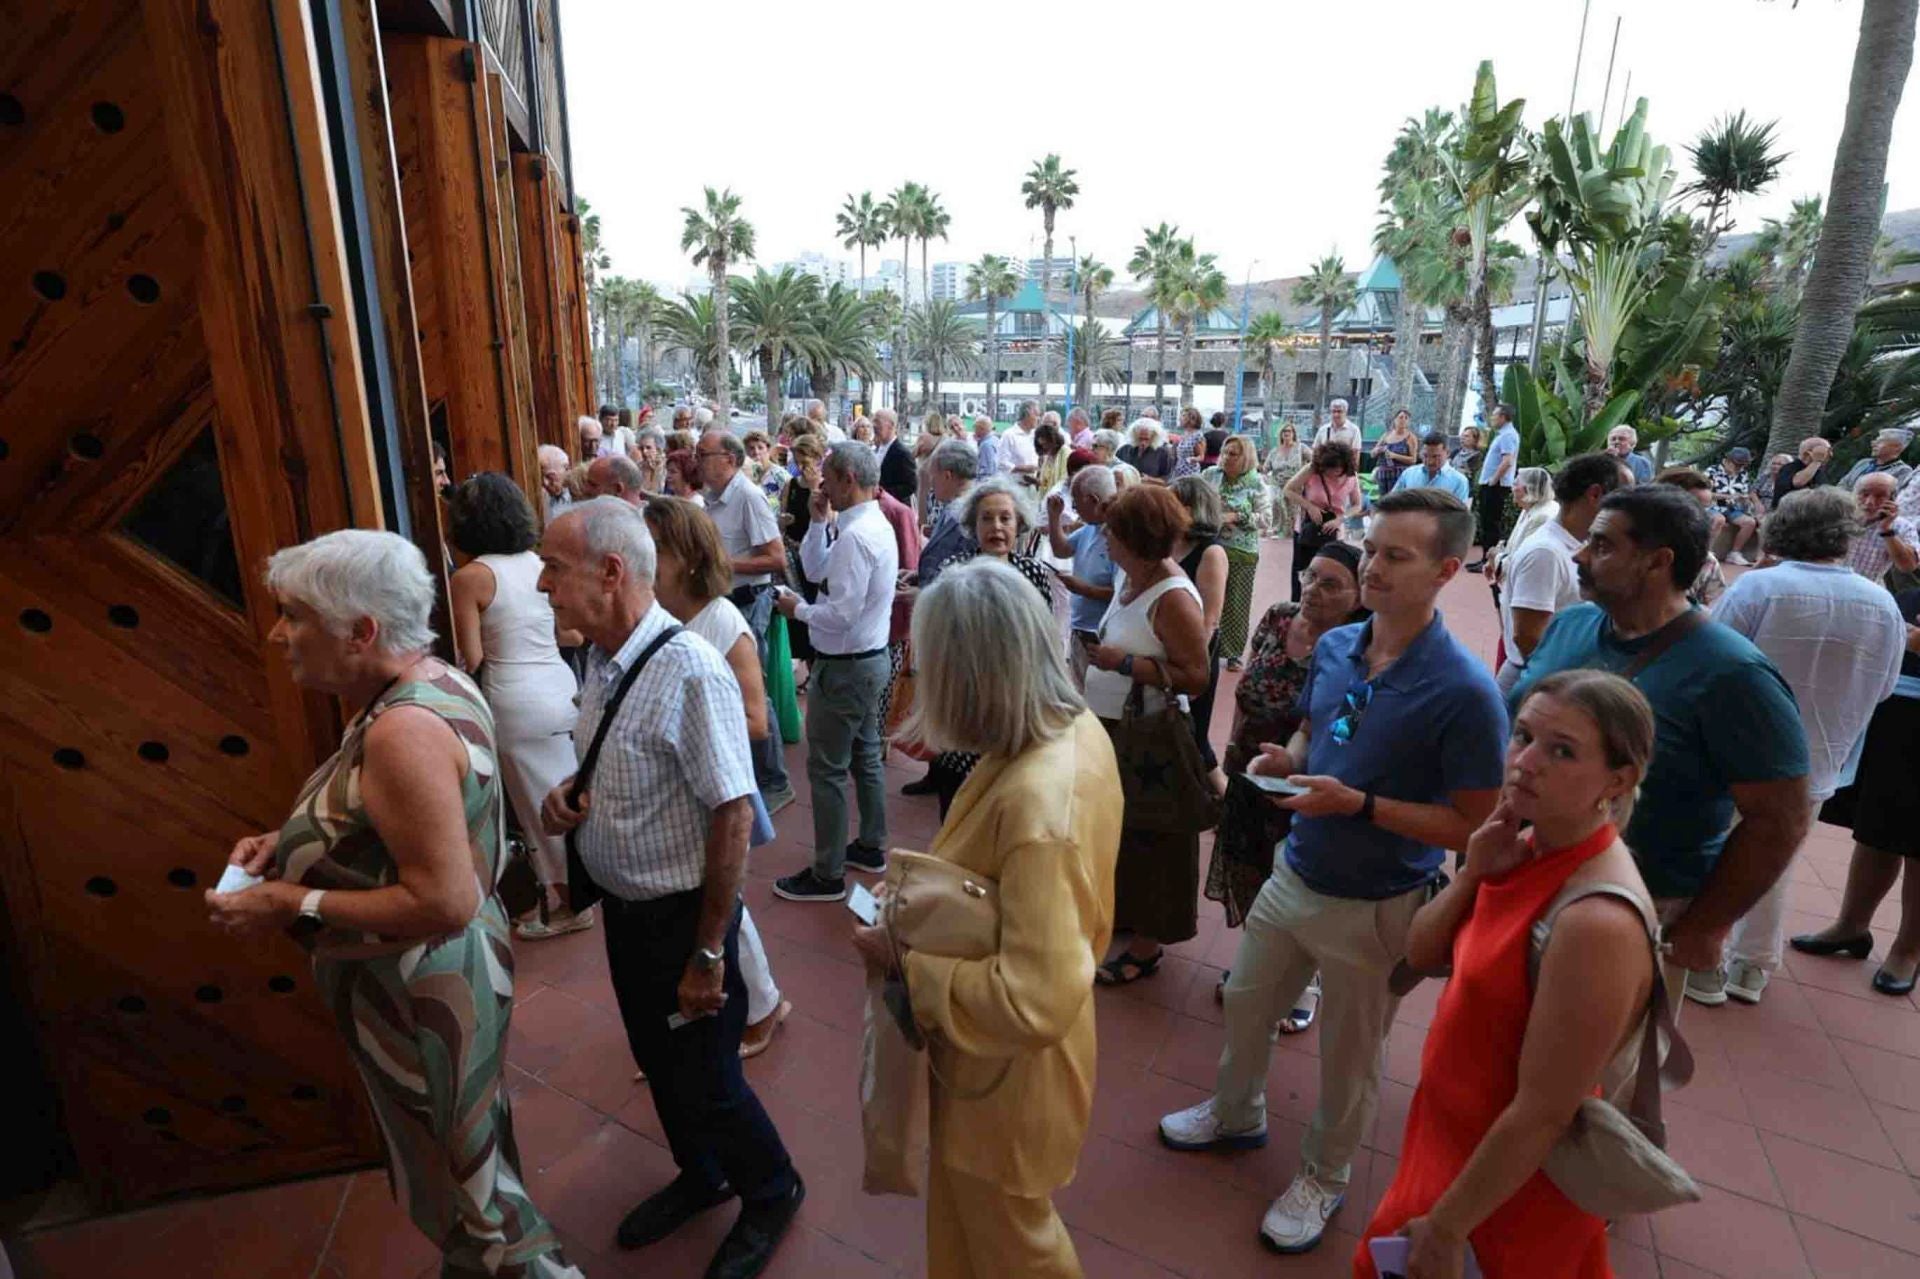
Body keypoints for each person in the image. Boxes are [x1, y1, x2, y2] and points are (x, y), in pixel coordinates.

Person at [207, 529, 582, 1279]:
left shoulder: (401, 729)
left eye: (295, 615)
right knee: (468, 1153)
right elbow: (400, 817)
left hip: (422, 995)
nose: (280, 632)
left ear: (362, 631)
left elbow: (441, 897)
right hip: (446, 982)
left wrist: (293, 898)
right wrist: (292, 837)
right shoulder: (425, 681)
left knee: (477, 1195)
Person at [1157, 488, 1507, 1256]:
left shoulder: (1466, 691)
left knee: (1349, 1057)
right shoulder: (1345, 644)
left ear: (1448, 569)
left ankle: (1326, 1171)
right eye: (1373, 547)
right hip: (1298, 867)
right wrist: (1297, 759)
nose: (1373, 566)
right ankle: (1236, 1111)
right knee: (1248, 1001)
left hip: (1380, 899)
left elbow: (1474, 823)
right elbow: (1323, 722)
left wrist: (1362, 804)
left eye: (1395, 556)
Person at [535, 499, 803, 1274]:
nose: (543, 584)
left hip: (682, 921)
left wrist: (709, 952)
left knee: (713, 1080)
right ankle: (704, 1171)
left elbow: (730, 816)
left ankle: (773, 1185)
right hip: (628, 915)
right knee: (661, 1060)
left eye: (555, 567)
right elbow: (616, 768)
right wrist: (565, 798)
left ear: (611, 572)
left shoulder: (690, 669)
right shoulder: (605, 660)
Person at [849, 559, 1121, 1279]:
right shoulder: (1070, 726)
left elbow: (1031, 998)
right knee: (975, 1228)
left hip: (1007, 1077)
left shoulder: (1039, 804)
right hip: (995, 1064)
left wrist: (905, 963)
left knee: (1013, 1248)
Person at [1355, 670, 1659, 1279]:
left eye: (1562, 751)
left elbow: (1546, 1110)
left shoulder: (1595, 920)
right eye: (1522, 736)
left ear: (1618, 779)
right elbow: (1419, 952)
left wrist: (1447, 1227)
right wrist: (1473, 873)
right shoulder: (1526, 846)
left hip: (1503, 1189)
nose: (1526, 761)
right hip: (1447, 1138)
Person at [1511, 484, 1813, 1006]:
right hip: (1527, 878)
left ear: (1657, 562)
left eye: (1602, 546)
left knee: (1596, 1078)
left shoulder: (1733, 673)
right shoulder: (1570, 625)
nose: (1580, 556)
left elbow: (1780, 816)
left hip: (1635, 904)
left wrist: (1704, 928)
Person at [1692, 488, 1906, 1006]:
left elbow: (1708, 663)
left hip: (1735, 752)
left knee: (1717, 852)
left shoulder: (1760, 588)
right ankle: (1751, 967)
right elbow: (1884, 686)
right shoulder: (1883, 605)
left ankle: (1704, 962)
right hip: (1820, 756)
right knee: (1777, 858)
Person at [640, 497, 796, 1058]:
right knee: (712, 902)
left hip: (715, 787)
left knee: (725, 900)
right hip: (682, 788)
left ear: (686, 556)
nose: (643, 560)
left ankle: (763, 1004)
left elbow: (757, 721)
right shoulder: (662, 618)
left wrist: (686, 727)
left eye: (654, 549)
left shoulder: (723, 621)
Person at [1208, 542, 1367, 1033]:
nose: (1313, 589)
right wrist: (1232, 752)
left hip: (1307, 785)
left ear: (1359, 594)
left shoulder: (1361, 648)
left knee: (1300, 889)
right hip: (1249, 769)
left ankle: (1303, 981)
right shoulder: (1279, 617)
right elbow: (1247, 688)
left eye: (1331, 583)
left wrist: (1301, 760)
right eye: (1311, 576)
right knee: (1253, 871)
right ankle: (1262, 965)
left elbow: (1348, 728)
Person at [445, 473, 589, 939]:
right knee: (568, 794)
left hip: (514, 700)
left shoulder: (471, 578)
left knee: (535, 809)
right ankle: (584, 889)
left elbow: (474, 657)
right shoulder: (537, 563)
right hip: (559, 685)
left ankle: (570, 904)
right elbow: (570, 634)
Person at [1084, 485, 1213, 984]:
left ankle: (1147, 945)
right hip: (1115, 727)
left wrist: (1129, 664)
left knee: (1152, 836)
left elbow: (1197, 676)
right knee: (1122, 830)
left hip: (1148, 736)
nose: (1105, 537)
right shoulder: (1130, 576)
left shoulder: (1173, 596)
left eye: (1113, 530)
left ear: (1135, 538)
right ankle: (1127, 915)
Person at [773, 442, 898, 902]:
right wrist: (819, 522)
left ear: (848, 479)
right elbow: (815, 566)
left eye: (827, 477)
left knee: (827, 770)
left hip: (847, 665)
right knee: (864, 757)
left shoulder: (858, 535)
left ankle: (827, 874)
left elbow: (840, 612)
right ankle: (870, 845)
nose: (820, 484)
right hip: (866, 660)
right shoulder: (864, 526)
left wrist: (798, 609)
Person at [1792, 584, 1920, 996]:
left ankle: (1907, 950)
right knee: (1877, 825)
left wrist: (1900, 635)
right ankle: (1852, 926)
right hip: (1899, 702)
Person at [932, 477, 1061, 814]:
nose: (996, 526)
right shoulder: (954, 574)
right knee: (959, 817)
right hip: (966, 711)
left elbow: (1044, 642)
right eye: (986, 518)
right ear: (973, 525)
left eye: (1005, 518)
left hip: (1016, 711)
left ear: (1019, 524)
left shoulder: (1032, 573)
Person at [698, 430, 796, 815]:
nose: (698, 460)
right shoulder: (713, 498)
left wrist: (721, 564)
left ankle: (775, 780)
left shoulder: (748, 497)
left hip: (747, 603)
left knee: (752, 692)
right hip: (725, 601)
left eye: (704, 454)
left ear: (730, 460)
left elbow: (776, 559)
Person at [1498, 453, 1627, 694]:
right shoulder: (1546, 552)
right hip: (1539, 685)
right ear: (1595, 494)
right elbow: (1528, 638)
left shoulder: (1576, 545)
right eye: (1623, 496)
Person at [900, 438, 982, 800]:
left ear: (948, 474)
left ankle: (951, 773)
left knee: (951, 699)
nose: (930, 483)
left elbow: (967, 569)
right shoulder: (956, 508)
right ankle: (938, 768)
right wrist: (920, 576)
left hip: (955, 622)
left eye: (933, 476)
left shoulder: (971, 513)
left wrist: (926, 591)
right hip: (940, 615)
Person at [1168, 476, 1230, 776]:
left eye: (1172, 501)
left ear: (1191, 508)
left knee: (1195, 737)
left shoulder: (1211, 552)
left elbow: (1211, 618)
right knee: (1177, 735)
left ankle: (1225, 805)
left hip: (1196, 653)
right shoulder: (1169, 544)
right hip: (1170, 649)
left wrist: (1195, 667)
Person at [1049, 465, 1119, 687]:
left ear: (1093, 499)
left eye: (1077, 502)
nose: (1075, 509)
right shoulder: (1090, 527)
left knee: (1092, 698)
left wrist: (1083, 589)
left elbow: (1123, 593)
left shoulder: (1118, 536)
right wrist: (1054, 519)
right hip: (1080, 628)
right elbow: (1062, 550)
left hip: (1100, 636)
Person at [1203, 434, 1267, 671]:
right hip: (1209, 548)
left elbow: (1266, 520)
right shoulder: (1210, 476)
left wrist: (1237, 516)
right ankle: (1203, 646)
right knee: (1206, 600)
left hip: (1242, 552)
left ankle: (1232, 654)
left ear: (1246, 457)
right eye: (1225, 453)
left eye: (1233, 454)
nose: (1226, 458)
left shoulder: (1256, 482)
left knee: (1236, 604)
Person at [1283, 441, 1362, 604]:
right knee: (1302, 573)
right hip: (1307, 529)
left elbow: (1357, 505)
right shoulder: (1313, 469)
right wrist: (1310, 507)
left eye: (1337, 470)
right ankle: (1297, 607)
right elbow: (1288, 490)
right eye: (1329, 470)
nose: (1333, 474)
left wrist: (1341, 519)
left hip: (1332, 531)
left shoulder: (1352, 477)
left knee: (1328, 573)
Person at [1658, 467, 1732, 606]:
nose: (1701, 516)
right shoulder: (1630, 546)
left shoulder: (1706, 562)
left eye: (1705, 508)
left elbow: (1717, 609)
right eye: (1693, 507)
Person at [1468, 404, 1519, 571]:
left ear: (1503, 417)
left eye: (1495, 415)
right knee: (1487, 522)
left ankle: (1490, 561)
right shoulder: (1503, 435)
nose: (1492, 418)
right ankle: (1486, 558)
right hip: (1493, 484)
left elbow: (1507, 461)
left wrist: (1493, 480)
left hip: (1496, 486)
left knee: (1491, 524)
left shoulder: (1508, 436)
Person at [1846, 470, 1920, 584]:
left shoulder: (1902, 526)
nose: (1870, 502)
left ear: (1892, 500)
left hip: (1867, 588)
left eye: (1880, 496)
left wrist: (1887, 530)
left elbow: (1909, 566)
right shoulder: (1838, 517)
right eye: (1864, 494)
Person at [1703, 446, 1761, 564]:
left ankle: (1734, 553)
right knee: (1719, 519)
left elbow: (1744, 492)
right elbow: (1705, 493)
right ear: (1728, 461)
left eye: (1743, 465)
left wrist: (1745, 499)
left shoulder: (1743, 474)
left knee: (1750, 522)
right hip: (1712, 506)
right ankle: (1705, 552)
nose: (1740, 468)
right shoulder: (1712, 471)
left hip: (1732, 508)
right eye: (1738, 465)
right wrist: (1728, 497)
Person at [1391, 433, 1472, 503]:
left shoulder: (1459, 481)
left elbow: (1460, 516)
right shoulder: (1409, 474)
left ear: (1447, 453)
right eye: (1425, 456)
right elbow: (1393, 501)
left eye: (1435, 456)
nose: (1430, 461)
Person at [1264, 421, 1309, 535]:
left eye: (1289, 431)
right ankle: (1276, 529)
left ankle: (1291, 531)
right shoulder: (1275, 451)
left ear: (1293, 433)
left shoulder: (1301, 448)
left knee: (1292, 509)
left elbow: (1314, 460)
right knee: (1276, 502)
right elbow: (1266, 468)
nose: (1286, 433)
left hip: (1295, 483)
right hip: (1277, 483)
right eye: (1284, 431)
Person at [1839, 427, 1914, 491]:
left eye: (1880, 441)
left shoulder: (1902, 471)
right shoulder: (1863, 463)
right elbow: (1842, 485)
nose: (1873, 444)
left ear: (1897, 447)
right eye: (1875, 440)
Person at [1769, 434, 1833, 508]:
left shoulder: (1819, 472)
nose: (1830, 455)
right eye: (1827, 451)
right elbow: (1798, 482)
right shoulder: (1789, 468)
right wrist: (1817, 461)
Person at [874, 407, 917, 505]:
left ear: (891, 426)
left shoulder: (902, 453)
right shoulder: (875, 449)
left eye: (878, 422)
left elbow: (911, 486)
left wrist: (882, 493)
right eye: (874, 422)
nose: (874, 426)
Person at [1372, 409, 1418, 494]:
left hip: (1399, 475)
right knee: (1383, 500)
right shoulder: (1386, 435)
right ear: (1395, 420)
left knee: (1395, 500)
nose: (1403, 420)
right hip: (1383, 474)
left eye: (1406, 418)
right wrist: (1377, 450)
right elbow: (1372, 454)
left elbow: (1413, 460)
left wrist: (1395, 455)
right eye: (1400, 417)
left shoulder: (1411, 438)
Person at [1002, 400, 1042, 481]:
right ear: (1027, 414)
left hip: (1033, 486)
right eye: (1036, 415)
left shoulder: (1036, 434)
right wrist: (1021, 468)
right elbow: (1002, 463)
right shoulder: (1009, 435)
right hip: (1015, 487)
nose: (1039, 419)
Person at [537, 444, 574, 522]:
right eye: (540, 478)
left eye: (550, 477)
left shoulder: (580, 495)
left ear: (566, 470)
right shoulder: (537, 498)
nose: (545, 483)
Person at [1033, 417, 1069, 497]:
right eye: (1041, 445)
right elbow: (1045, 482)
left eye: (1046, 444)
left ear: (1053, 440)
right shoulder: (1047, 457)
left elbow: (1065, 479)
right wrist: (1036, 481)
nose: (1044, 447)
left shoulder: (1065, 452)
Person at [1171, 406, 1208, 480]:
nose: (1180, 418)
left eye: (1183, 416)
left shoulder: (1197, 436)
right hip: (1178, 471)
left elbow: (1201, 456)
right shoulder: (1184, 434)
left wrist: (1191, 459)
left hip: (1190, 472)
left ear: (1191, 419)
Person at [632, 427, 669, 494]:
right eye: (641, 448)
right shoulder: (636, 468)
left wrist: (657, 471)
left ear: (658, 449)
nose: (644, 451)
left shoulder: (667, 467)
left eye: (648, 448)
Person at [1450, 425, 1485, 494]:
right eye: (1462, 436)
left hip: (1465, 488)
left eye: (1466, 436)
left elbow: (1468, 473)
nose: (1462, 438)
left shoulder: (1477, 456)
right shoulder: (1456, 451)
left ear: (1475, 439)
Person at [971, 413, 1002, 479]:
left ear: (982, 429)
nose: (974, 430)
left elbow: (987, 471)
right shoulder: (995, 439)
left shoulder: (986, 445)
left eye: (975, 428)